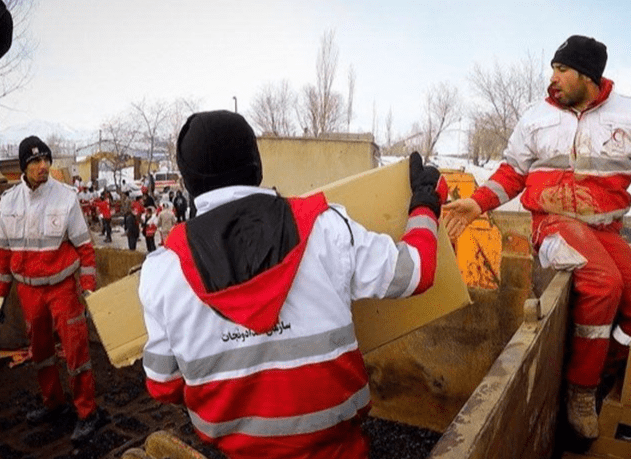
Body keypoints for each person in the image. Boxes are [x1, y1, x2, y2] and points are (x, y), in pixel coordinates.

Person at [443, 35, 631, 439]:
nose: (553, 78)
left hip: (603, 229)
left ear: (588, 76)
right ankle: (580, 392)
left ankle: (601, 367)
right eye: (553, 68)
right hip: (553, 222)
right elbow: (512, 173)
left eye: (562, 70)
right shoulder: (536, 117)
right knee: (604, 283)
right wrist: (478, 203)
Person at [139, 110, 446, 459]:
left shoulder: (162, 271)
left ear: (188, 181)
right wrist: (424, 203)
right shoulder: (325, 227)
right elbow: (416, 271)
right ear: (256, 166)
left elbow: (162, 385)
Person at [0, 136, 108, 442]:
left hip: (62, 288)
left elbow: (86, 249)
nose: (43, 166)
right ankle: (54, 404)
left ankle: (87, 413)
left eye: (45, 160)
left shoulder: (66, 197)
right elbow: (4, 256)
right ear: (23, 166)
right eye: (35, 161)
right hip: (28, 291)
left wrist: (87, 290)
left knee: (76, 350)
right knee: (41, 352)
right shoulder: (7, 203)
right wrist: (1, 298)